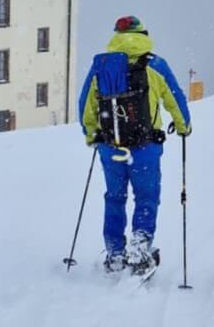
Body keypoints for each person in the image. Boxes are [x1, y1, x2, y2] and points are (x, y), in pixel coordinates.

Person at [78, 15, 191, 275]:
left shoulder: (102, 67)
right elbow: (175, 98)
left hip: (111, 147)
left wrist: (92, 135)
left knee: (115, 198)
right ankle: (140, 247)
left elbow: (86, 107)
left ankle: (115, 253)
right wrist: (184, 127)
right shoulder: (155, 64)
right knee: (146, 197)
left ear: (115, 36)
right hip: (145, 148)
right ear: (144, 34)